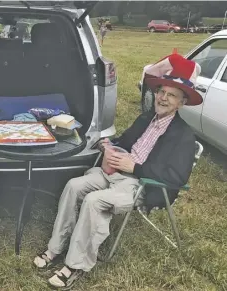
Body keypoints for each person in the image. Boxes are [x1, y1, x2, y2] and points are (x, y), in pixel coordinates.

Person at [32, 53, 203, 289]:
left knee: (94, 201)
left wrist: (135, 167)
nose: (163, 98)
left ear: (181, 103)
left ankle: (75, 265)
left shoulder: (183, 135)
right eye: (161, 92)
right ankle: (56, 248)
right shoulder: (147, 118)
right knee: (74, 186)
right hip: (115, 172)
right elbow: (125, 141)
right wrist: (108, 146)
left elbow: (177, 177)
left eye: (171, 95)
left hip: (140, 184)